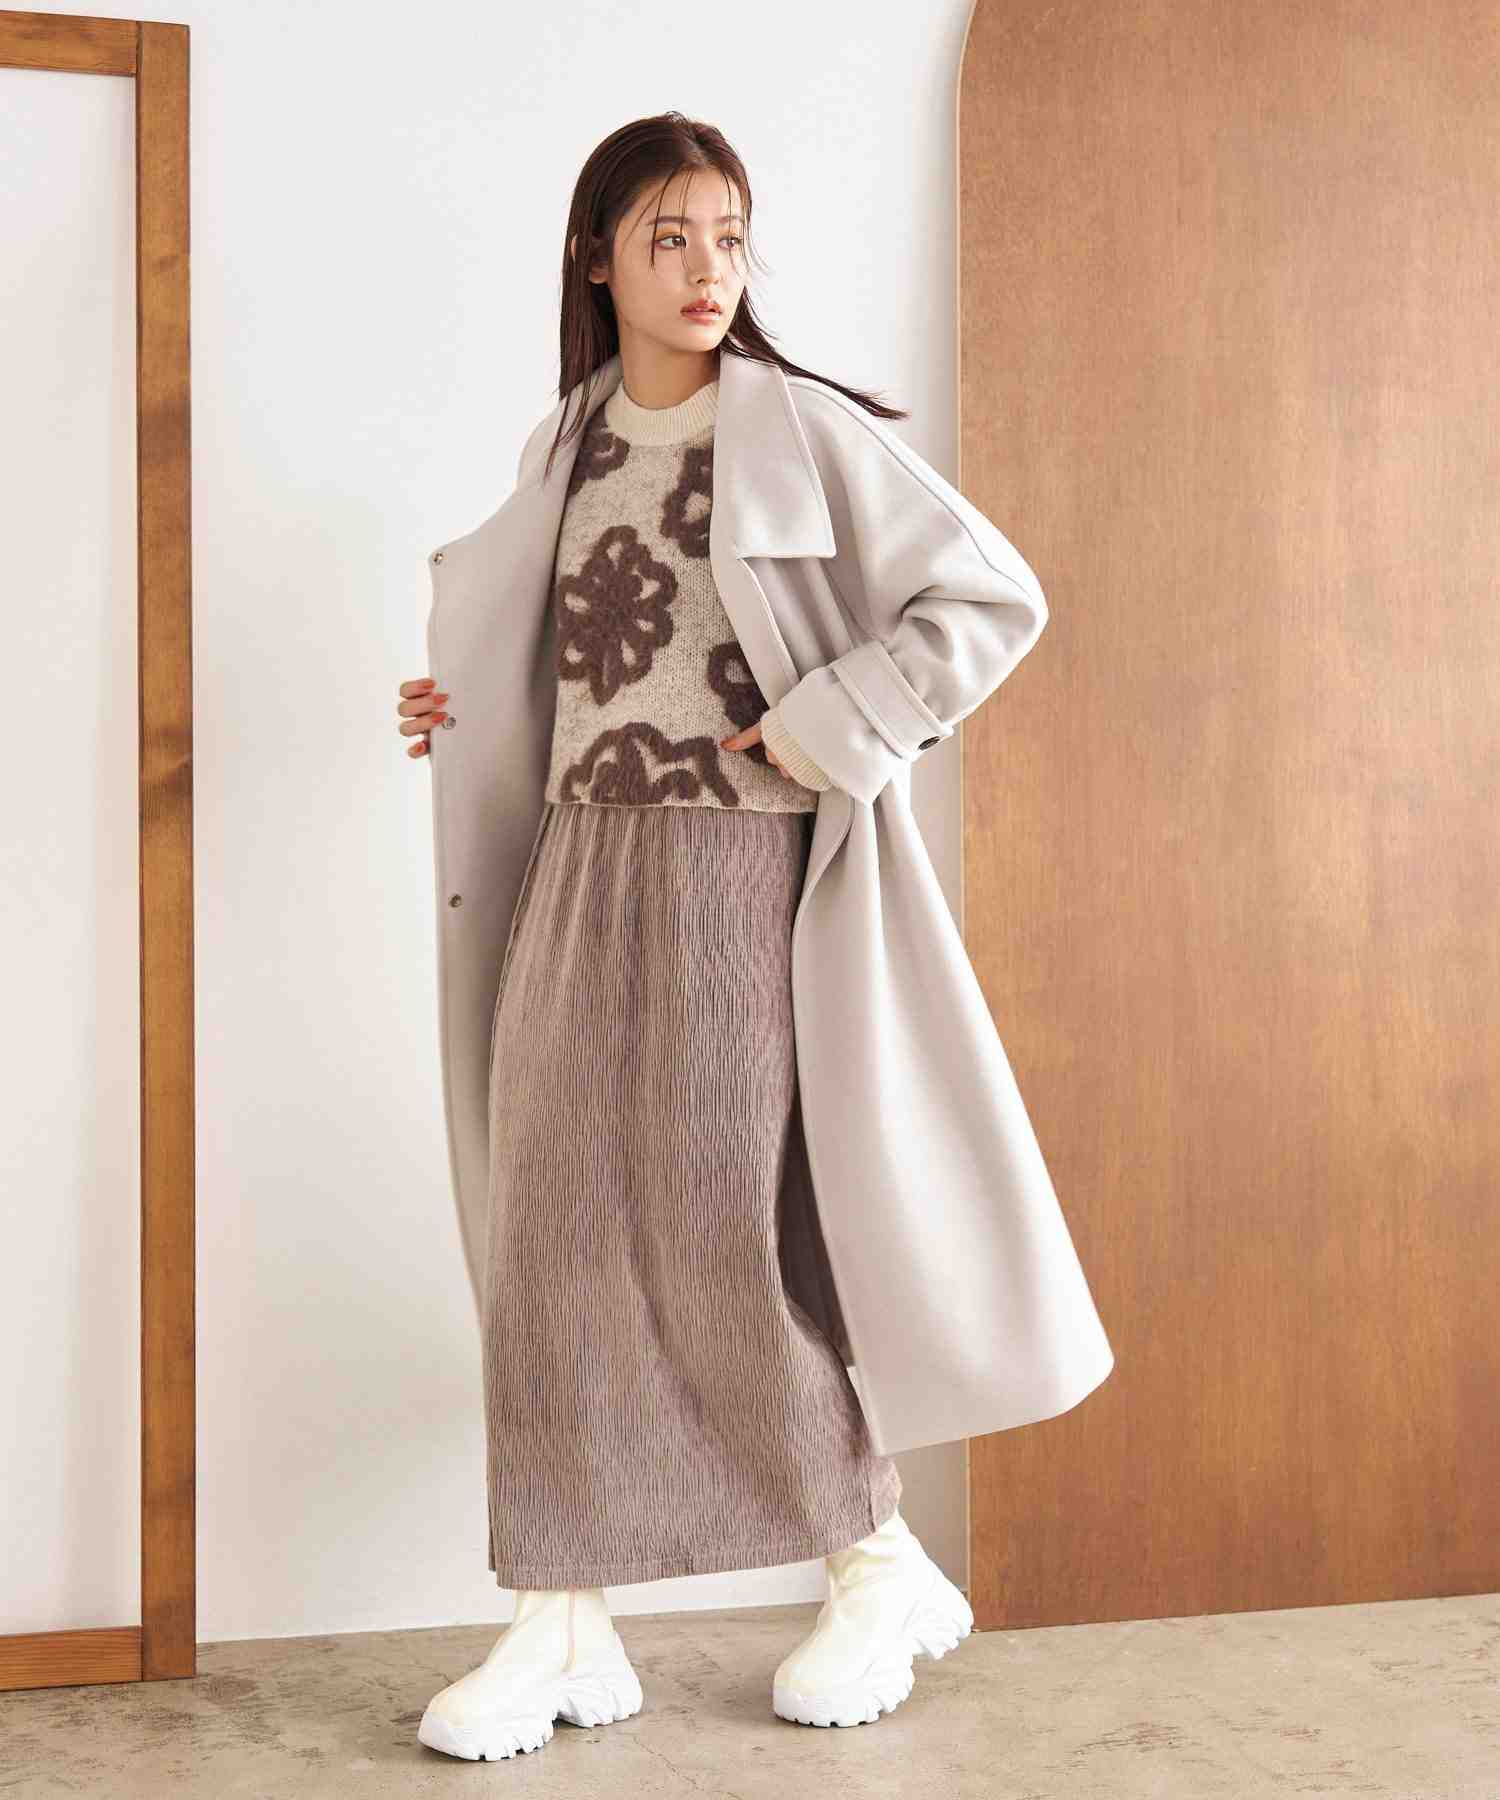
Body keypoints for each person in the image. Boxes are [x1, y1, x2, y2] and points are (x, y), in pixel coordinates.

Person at [395, 112, 979, 1762]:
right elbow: (564, 656)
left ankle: (875, 1561)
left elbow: (985, 600)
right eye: (670, 237)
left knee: (728, 1230)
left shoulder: (799, 430)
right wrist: (458, 704)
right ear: (599, 258)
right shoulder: (568, 442)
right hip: (579, 866)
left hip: (735, 865)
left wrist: (828, 725)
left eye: (728, 234)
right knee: (549, 1235)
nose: (708, 267)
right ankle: (561, 1613)